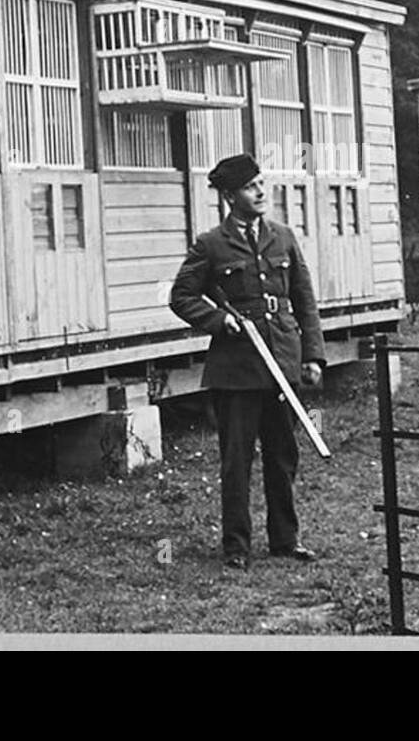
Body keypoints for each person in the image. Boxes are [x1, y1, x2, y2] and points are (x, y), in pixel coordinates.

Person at [168, 153, 325, 570]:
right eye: (250, 187)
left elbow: (304, 301)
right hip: (237, 370)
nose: (260, 192)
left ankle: (285, 540)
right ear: (228, 196)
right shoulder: (211, 245)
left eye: (261, 183)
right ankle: (236, 547)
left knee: (282, 455)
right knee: (237, 461)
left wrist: (312, 355)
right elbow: (180, 297)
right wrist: (219, 320)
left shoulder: (283, 237)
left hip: (282, 362)